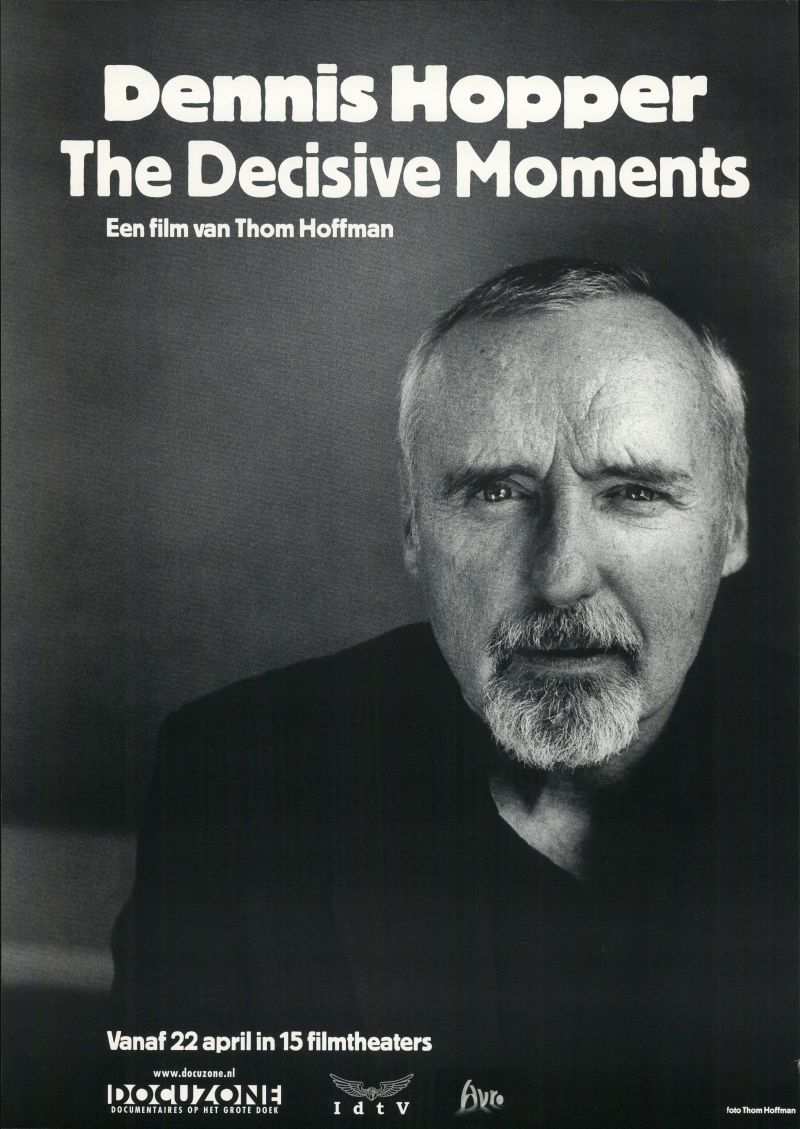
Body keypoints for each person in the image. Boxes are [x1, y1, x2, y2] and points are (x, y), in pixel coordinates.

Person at [111, 260, 795, 1127]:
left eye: (634, 492)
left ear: (732, 525)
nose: (561, 574)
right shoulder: (237, 776)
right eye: (496, 492)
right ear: (413, 527)